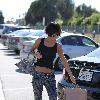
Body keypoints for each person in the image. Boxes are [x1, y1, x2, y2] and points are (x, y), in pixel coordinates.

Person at [31, 22, 76, 100]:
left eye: (57, 35)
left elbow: (64, 60)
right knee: (37, 98)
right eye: (54, 35)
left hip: (50, 76)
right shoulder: (39, 41)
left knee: (53, 97)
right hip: (37, 75)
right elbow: (31, 50)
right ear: (50, 33)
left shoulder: (58, 46)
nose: (55, 37)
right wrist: (35, 54)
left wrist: (71, 75)